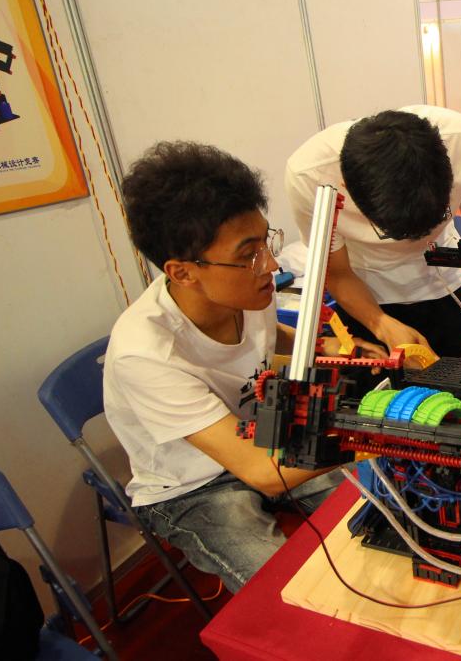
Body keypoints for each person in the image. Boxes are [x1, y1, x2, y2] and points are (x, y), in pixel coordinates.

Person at [104, 141, 385, 592]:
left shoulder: (247, 291)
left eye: (266, 241)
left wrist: (328, 346)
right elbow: (263, 473)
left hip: (266, 437)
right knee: (286, 588)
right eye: (248, 254)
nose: (271, 265)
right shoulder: (145, 353)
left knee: (382, 506)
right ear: (183, 272)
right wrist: (379, 435)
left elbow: (269, 336)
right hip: (195, 487)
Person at [286, 106, 461, 358]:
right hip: (367, 299)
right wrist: (381, 324)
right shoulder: (309, 176)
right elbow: (337, 273)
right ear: (347, 188)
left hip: (449, 286)